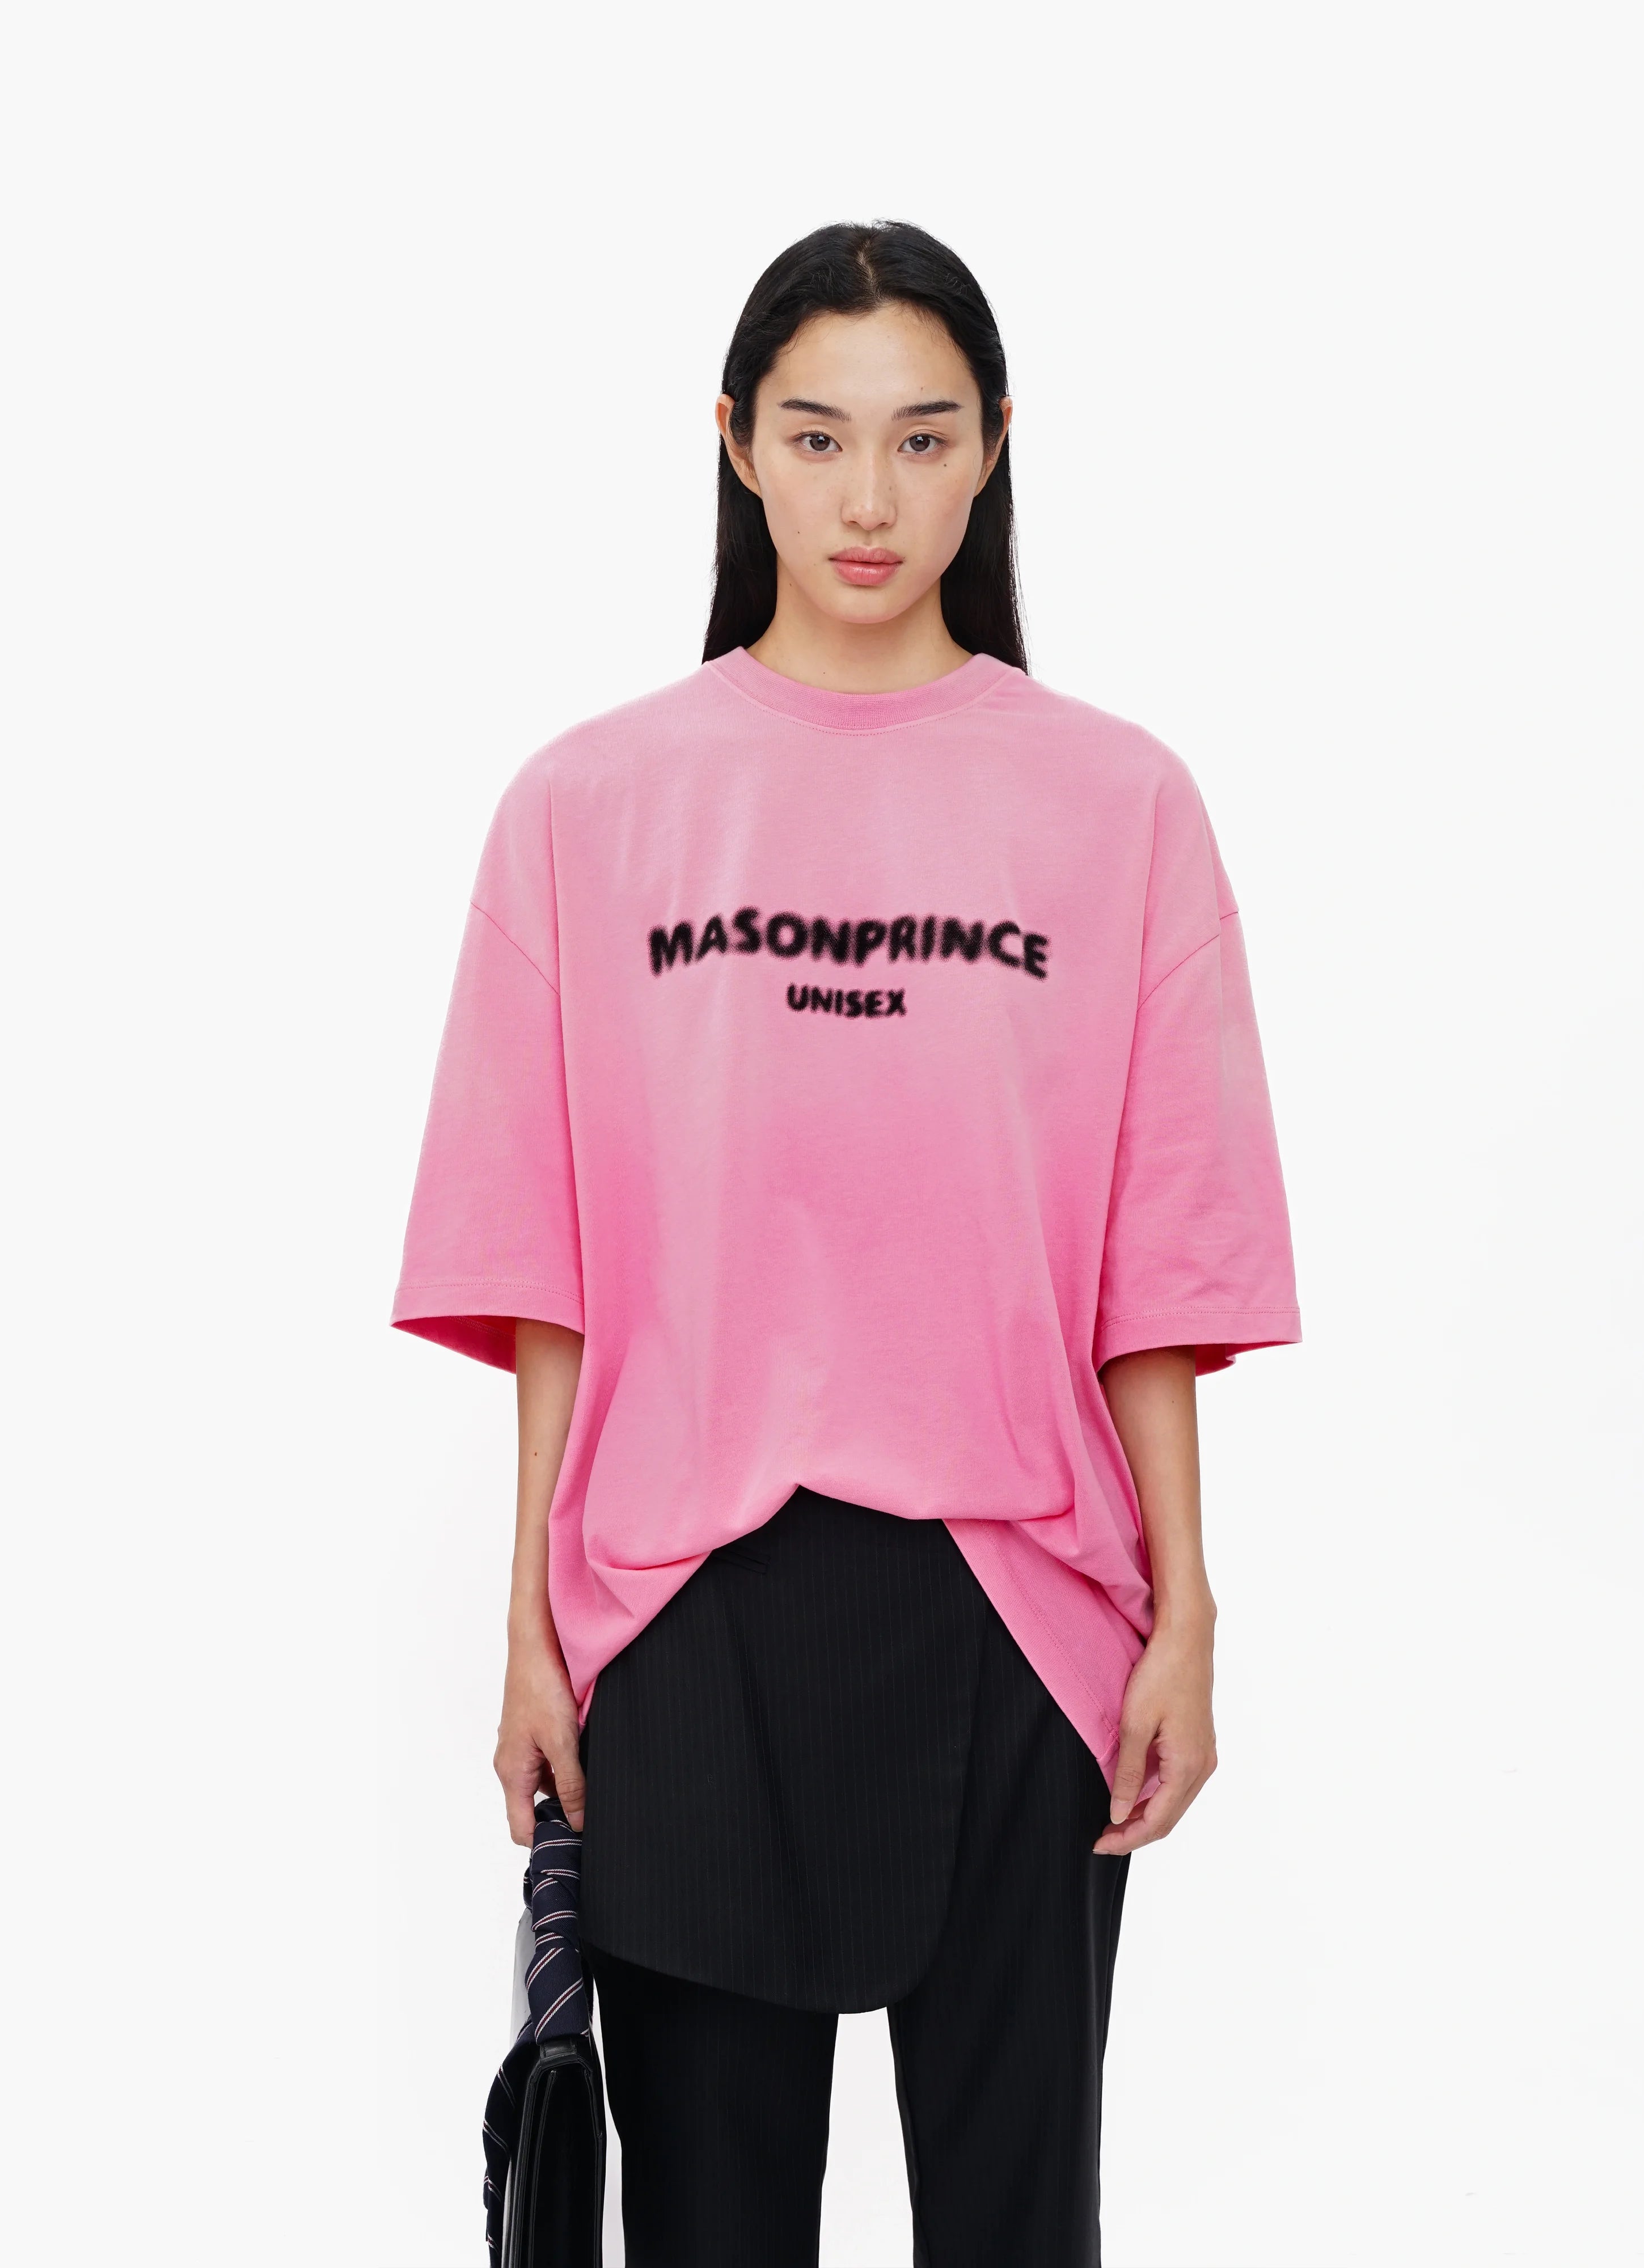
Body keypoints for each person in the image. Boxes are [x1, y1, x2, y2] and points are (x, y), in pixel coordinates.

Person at [391, 218, 1300, 2267]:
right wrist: (532, 1622)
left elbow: (1159, 1267)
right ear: (735, 446)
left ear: (995, 450)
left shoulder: (1121, 805)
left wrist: (1185, 1606)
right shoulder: (589, 807)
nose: (869, 498)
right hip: (684, 1613)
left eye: (921, 437)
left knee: (1017, 2227)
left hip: (1027, 1607)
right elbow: (547, 1272)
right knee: (708, 2230)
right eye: (815, 438)